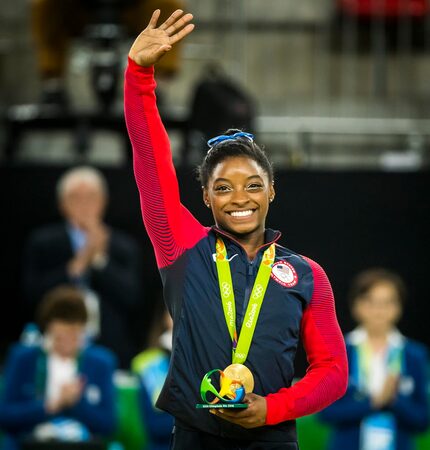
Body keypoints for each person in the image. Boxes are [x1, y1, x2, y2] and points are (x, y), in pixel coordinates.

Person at [124, 9, 348, 449]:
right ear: (206, 197)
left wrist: (272, 409)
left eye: (253, 185)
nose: (240, 197)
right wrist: (139, 76)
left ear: (271, 192)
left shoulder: (306, 275)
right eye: (223, 187)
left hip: (273, 439)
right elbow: (151, 162)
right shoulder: (181, 247)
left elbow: (334, 372)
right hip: (195, 439)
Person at [22, 165, 142, 369]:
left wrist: (98, 261)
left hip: (110, 348)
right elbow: (32, 294)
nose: (84, 205)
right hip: (55, 346)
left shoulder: (123, 246)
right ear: (62, 204)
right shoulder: (43, 242)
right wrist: (76, 266)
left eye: (91, 197)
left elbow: (132, 298)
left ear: (104, 201)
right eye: (75, 198)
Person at [318, 268, 430, 450]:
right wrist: (373, 402)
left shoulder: (414, 354)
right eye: (371, 301)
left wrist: (394, 400)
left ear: (399, 307)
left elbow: (422, 421)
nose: (379, 310)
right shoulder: (337, 351)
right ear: (356, 305)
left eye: (388, 302)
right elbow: (325, 413)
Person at [0, 285, 117, 450]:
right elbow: (5, 416)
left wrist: (76, 403)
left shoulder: (101, 362)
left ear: (83, 331)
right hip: (31, 444)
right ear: (48, 330)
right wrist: (49, 406)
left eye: (74, 336)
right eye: (60, 337)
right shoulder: (24, 358)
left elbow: (108, 425)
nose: (67, 344)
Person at [30, 0, 185, 106]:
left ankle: (158, 87)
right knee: (45, 6)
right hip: (82, 11)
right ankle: (53, 85)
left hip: (132, 11)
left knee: (168, 6)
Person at [131, 303, 174, 450]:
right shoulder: (148, 364)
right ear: (164, 317)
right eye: (174, 311)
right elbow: (156, 426)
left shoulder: (209, 358)